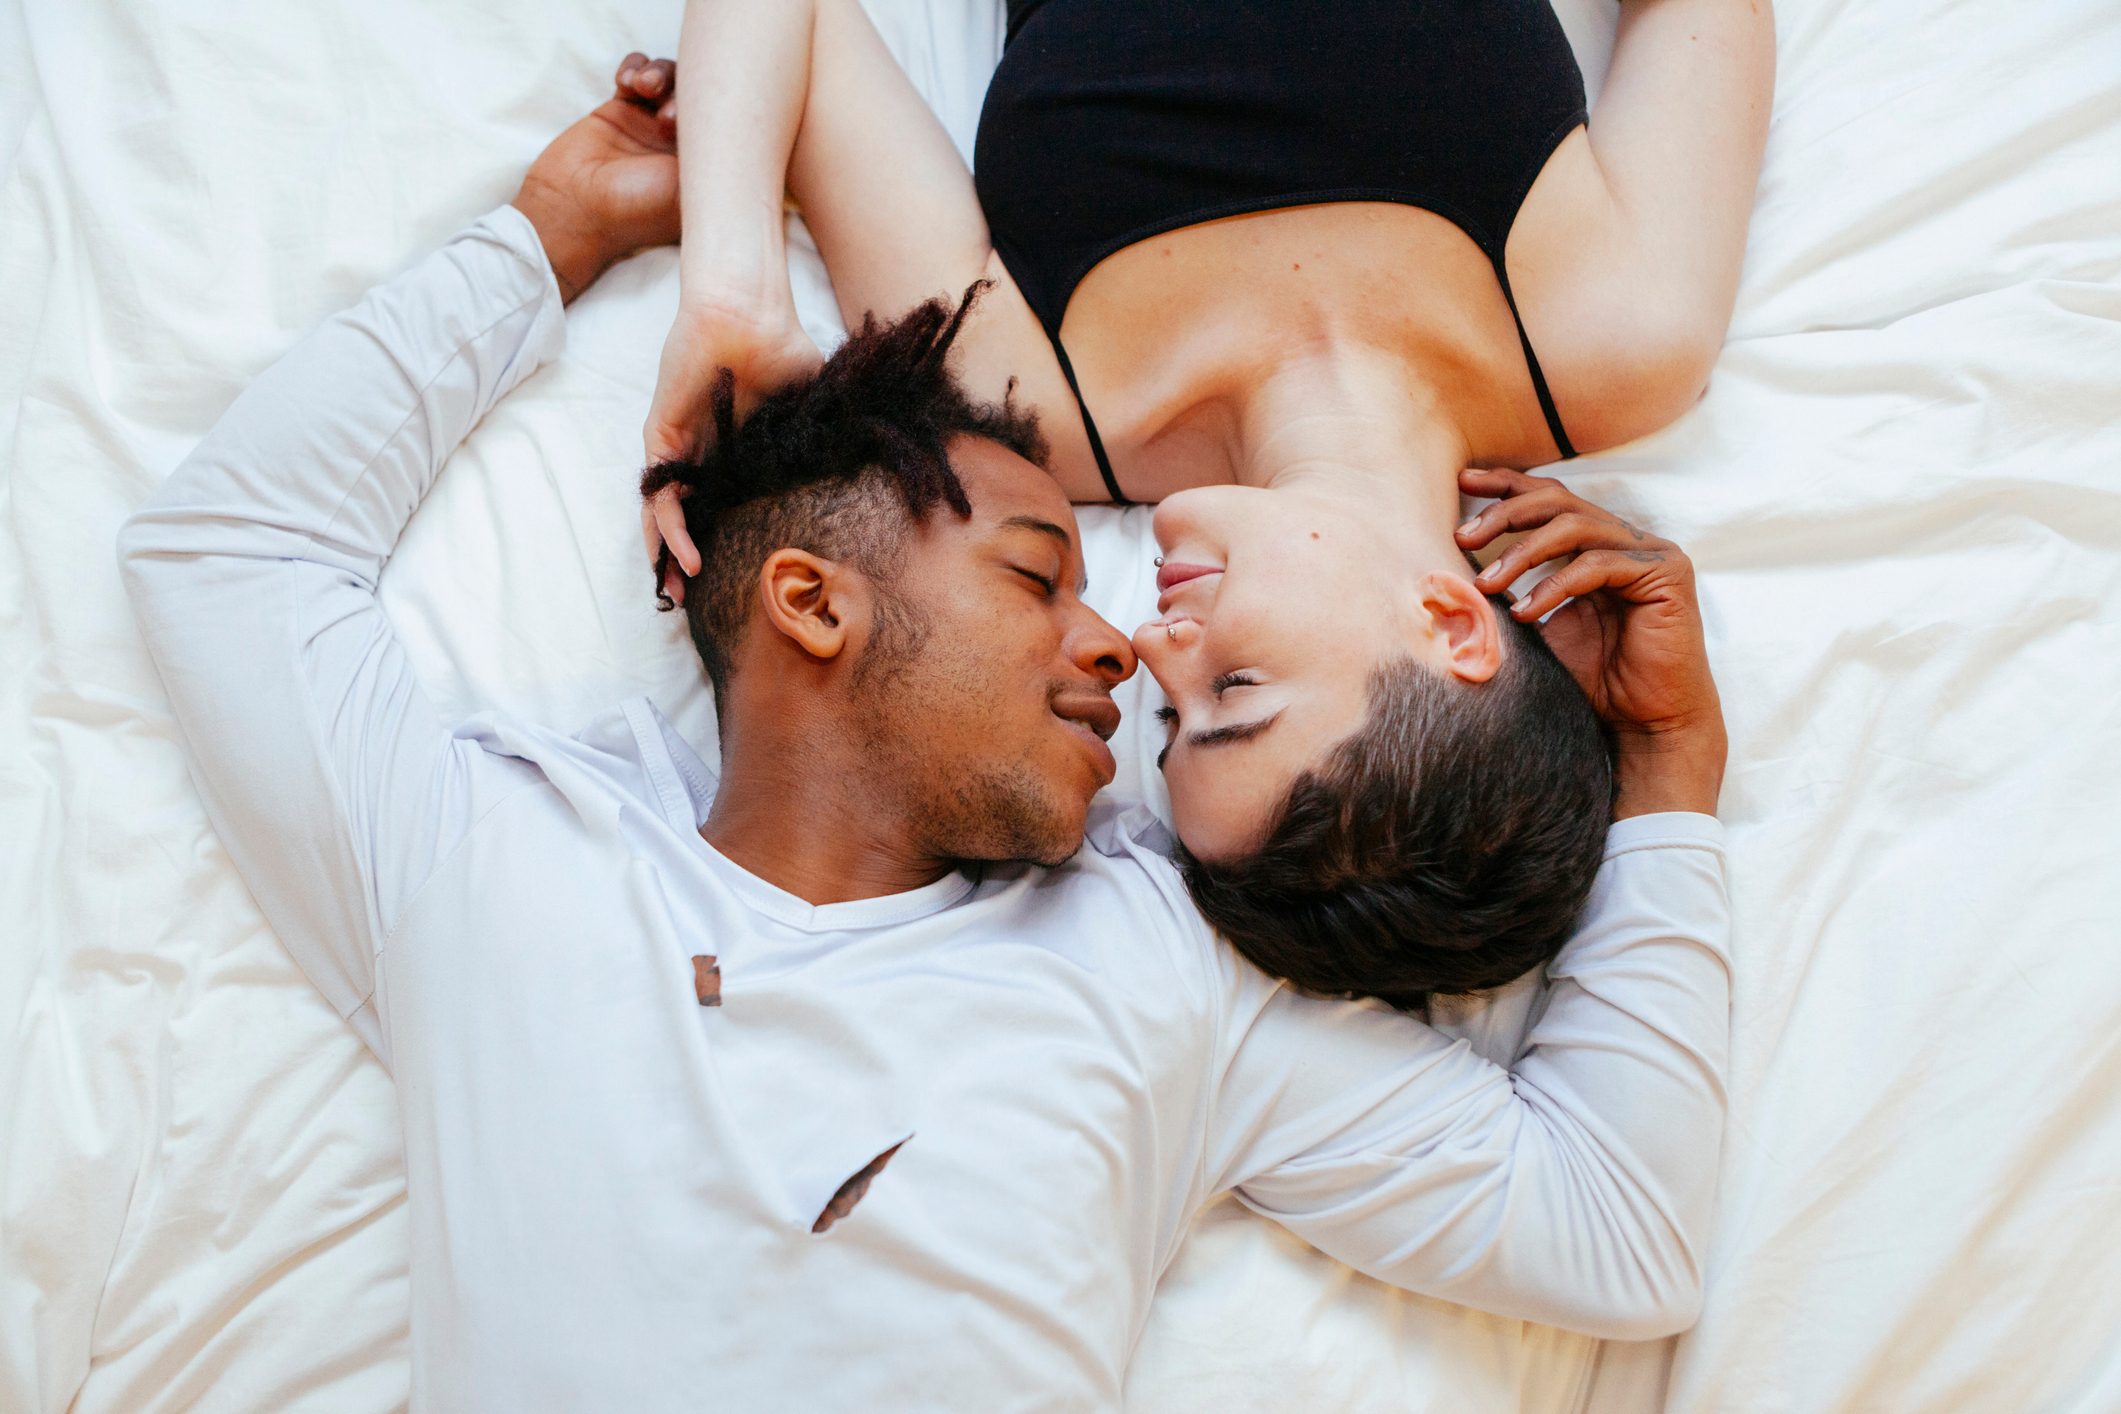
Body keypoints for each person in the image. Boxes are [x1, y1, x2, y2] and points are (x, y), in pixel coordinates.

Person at [118, 68, 1731, 1411]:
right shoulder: (491, 863)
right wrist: (549, 235)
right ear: (814, 606)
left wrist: (1662, 763)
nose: (1122, 637)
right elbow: (222, 554)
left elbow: (1614, 1231)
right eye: (1039, 573)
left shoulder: (1169, 965)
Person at [638, 0, 1767, 1003]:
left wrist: (732, 289)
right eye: (1235, 686)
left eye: (1172, 721)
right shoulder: (1626, 335)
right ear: (1451, 624)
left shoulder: (1029, 404)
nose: (1151, 650)